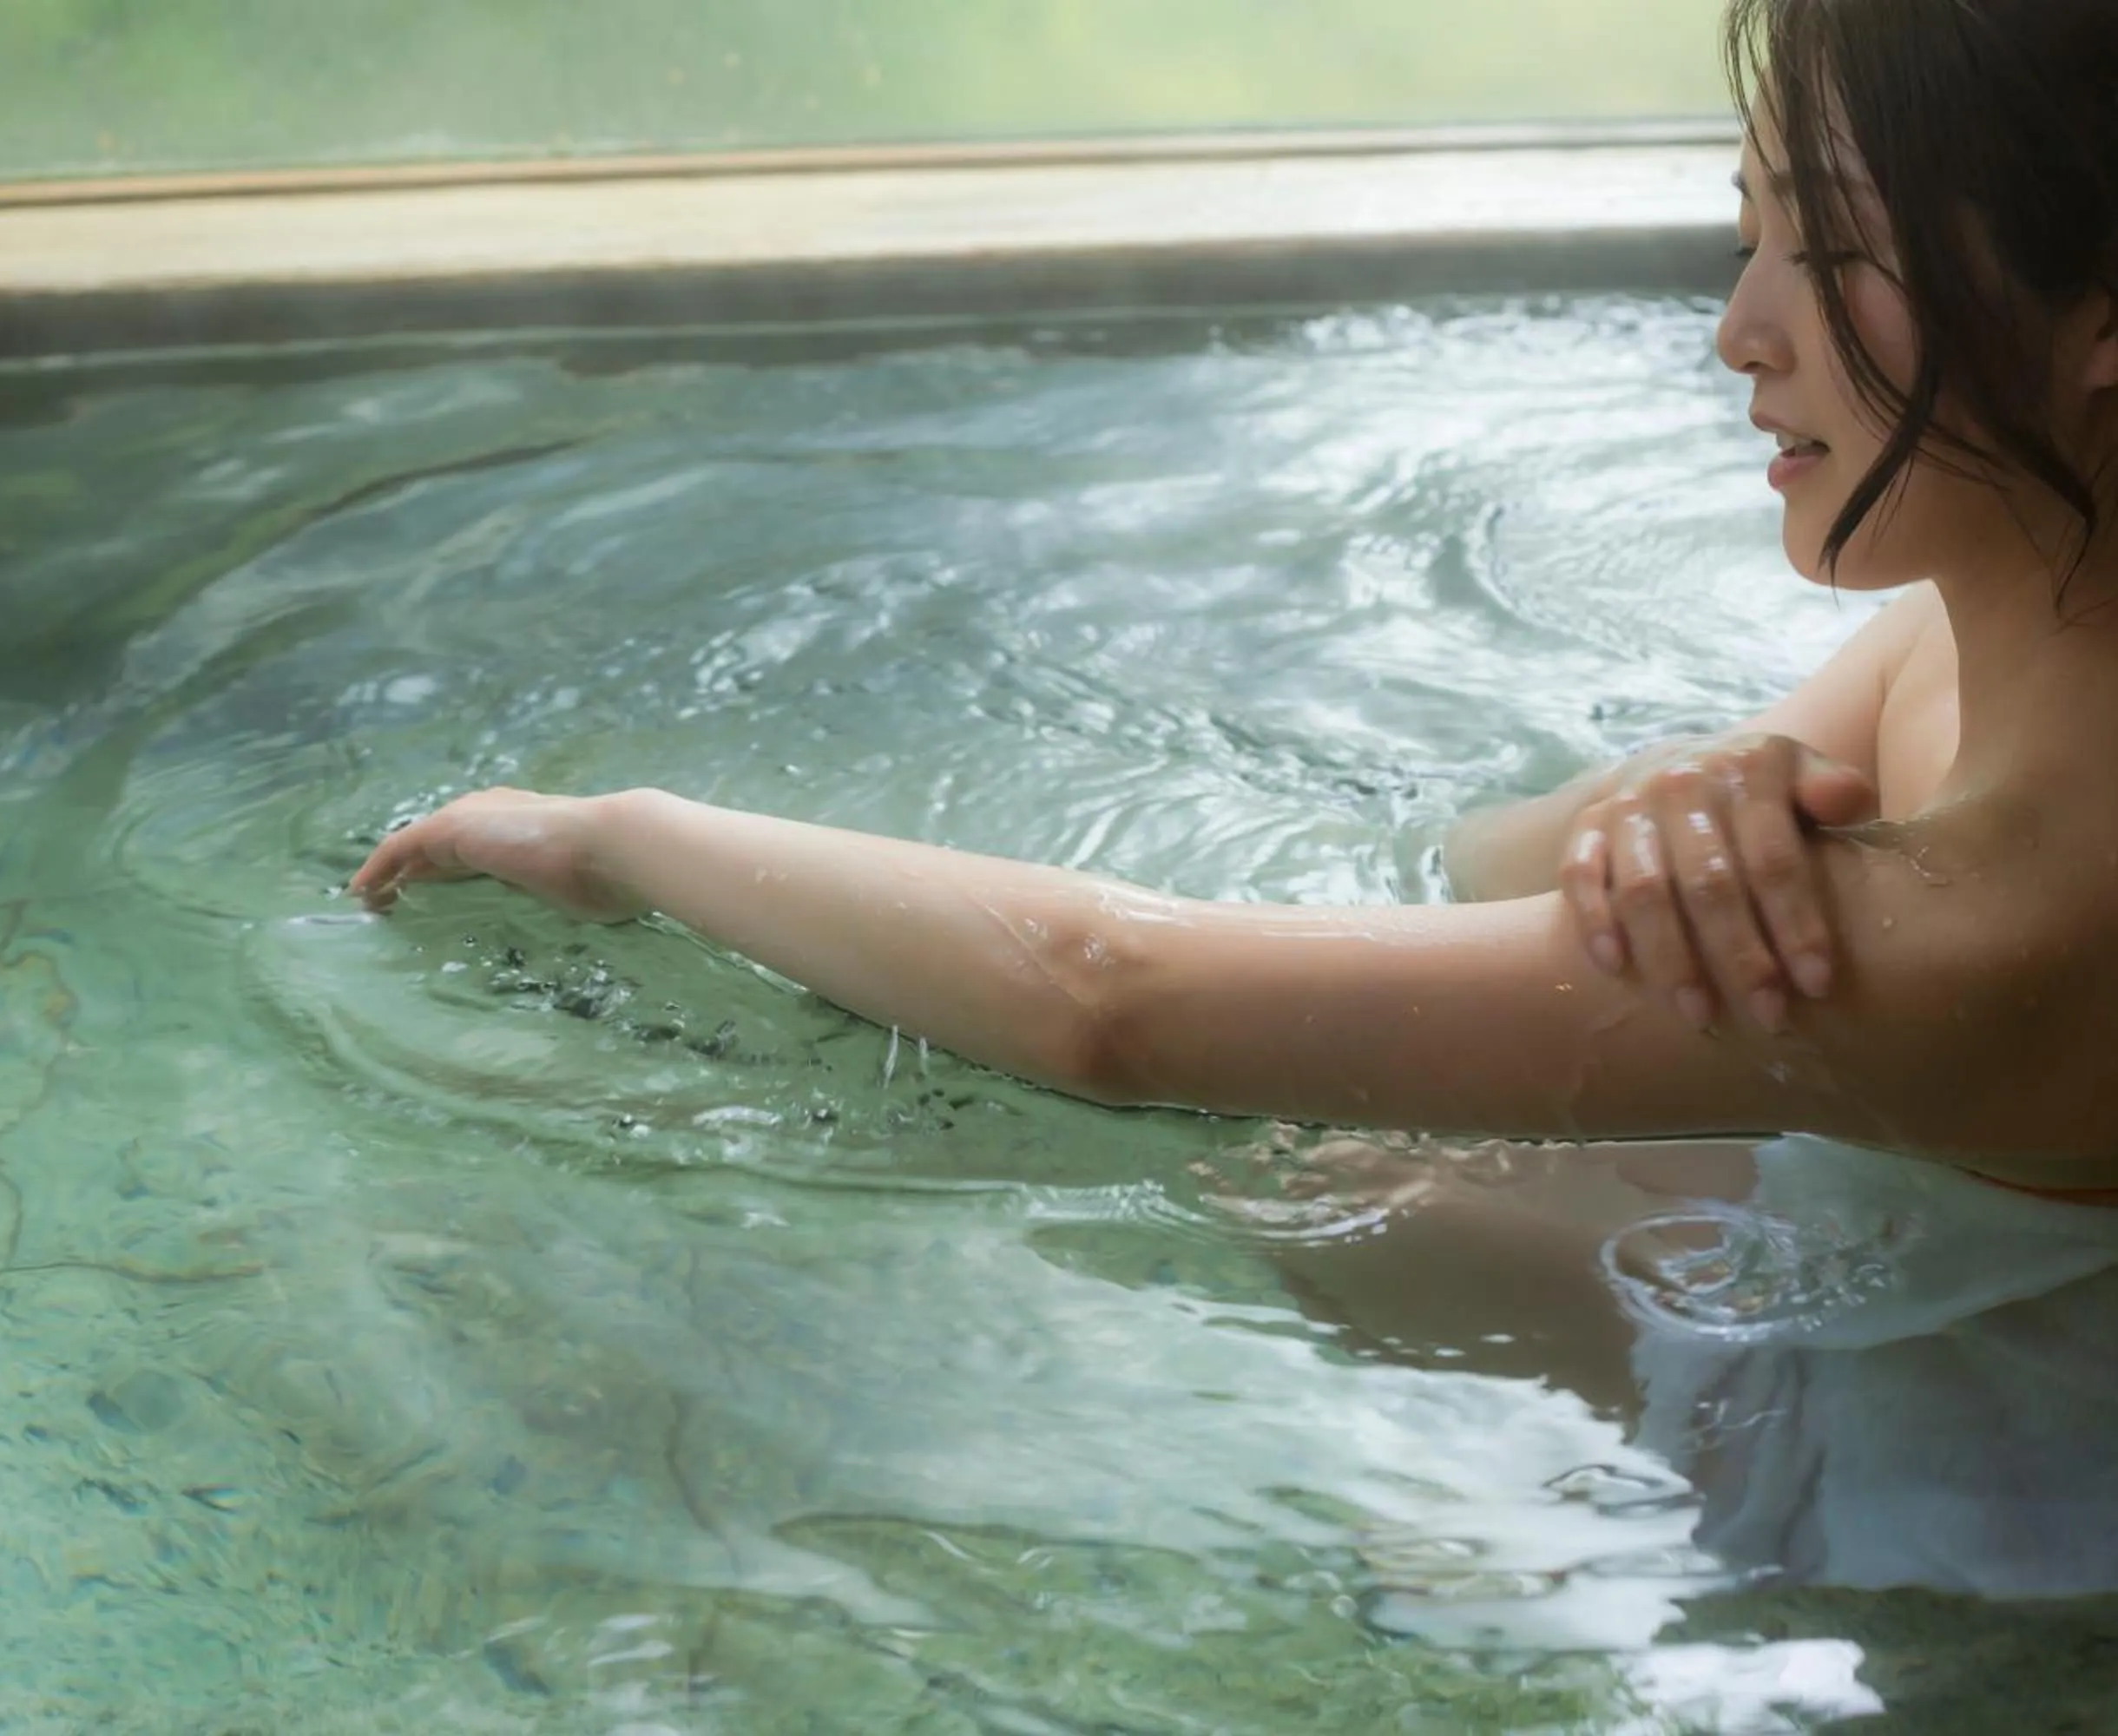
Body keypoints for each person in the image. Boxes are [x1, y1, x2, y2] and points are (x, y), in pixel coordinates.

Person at [353, 0, 2118, 1592]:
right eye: (1752, 237)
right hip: (1928, 1245)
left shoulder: (2008, 922)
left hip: (1950, 1497)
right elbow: (1499, 863)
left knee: (1305, 1168)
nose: (1739, 331)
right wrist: (1682, 791)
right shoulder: (1982, 636)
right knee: (1386, 1152)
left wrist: (631, 837)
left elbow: (1118, 1006)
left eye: (1833, 247)